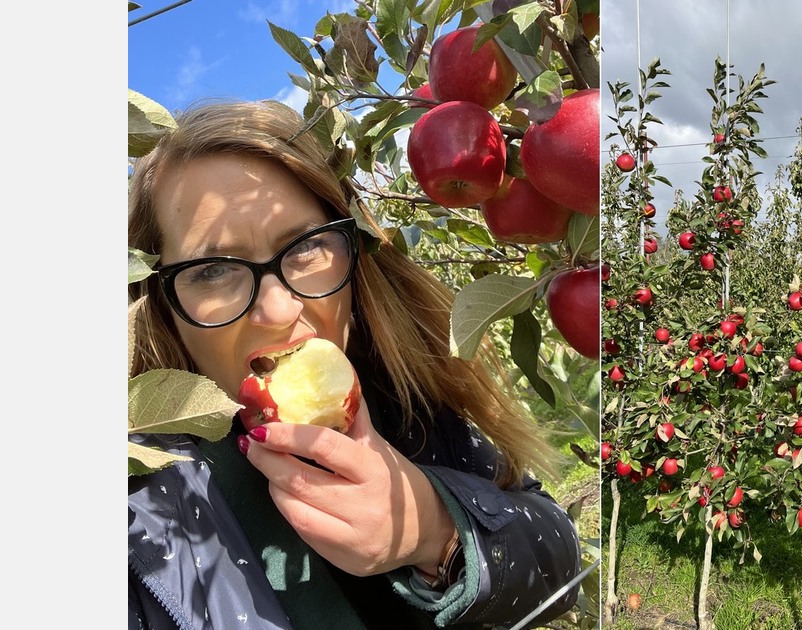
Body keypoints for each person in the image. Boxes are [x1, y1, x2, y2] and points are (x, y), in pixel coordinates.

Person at [127, 99, 583, 629]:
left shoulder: (409, 401)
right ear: (158, 301)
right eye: (211, 271)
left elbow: (559, 554)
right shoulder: (136, 507)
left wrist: (437, 532)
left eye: (306, 246)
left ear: (354, 251)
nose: (280, 310)